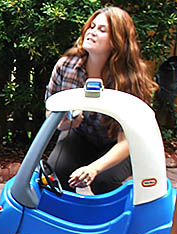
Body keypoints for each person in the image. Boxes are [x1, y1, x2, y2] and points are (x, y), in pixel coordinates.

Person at [45, 6, 158, 194]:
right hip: (82, 134)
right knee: (59, 169)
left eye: (102, 30)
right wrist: (67, 123)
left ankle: (108, 220)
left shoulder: (131, 80)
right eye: (92, 27)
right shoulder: (67, 66)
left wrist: (94, 168)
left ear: (117, 41)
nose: (92, 32)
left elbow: (127, 141)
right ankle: (70, 217)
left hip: (118, 143)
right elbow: (51, 115)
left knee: (103, 181)